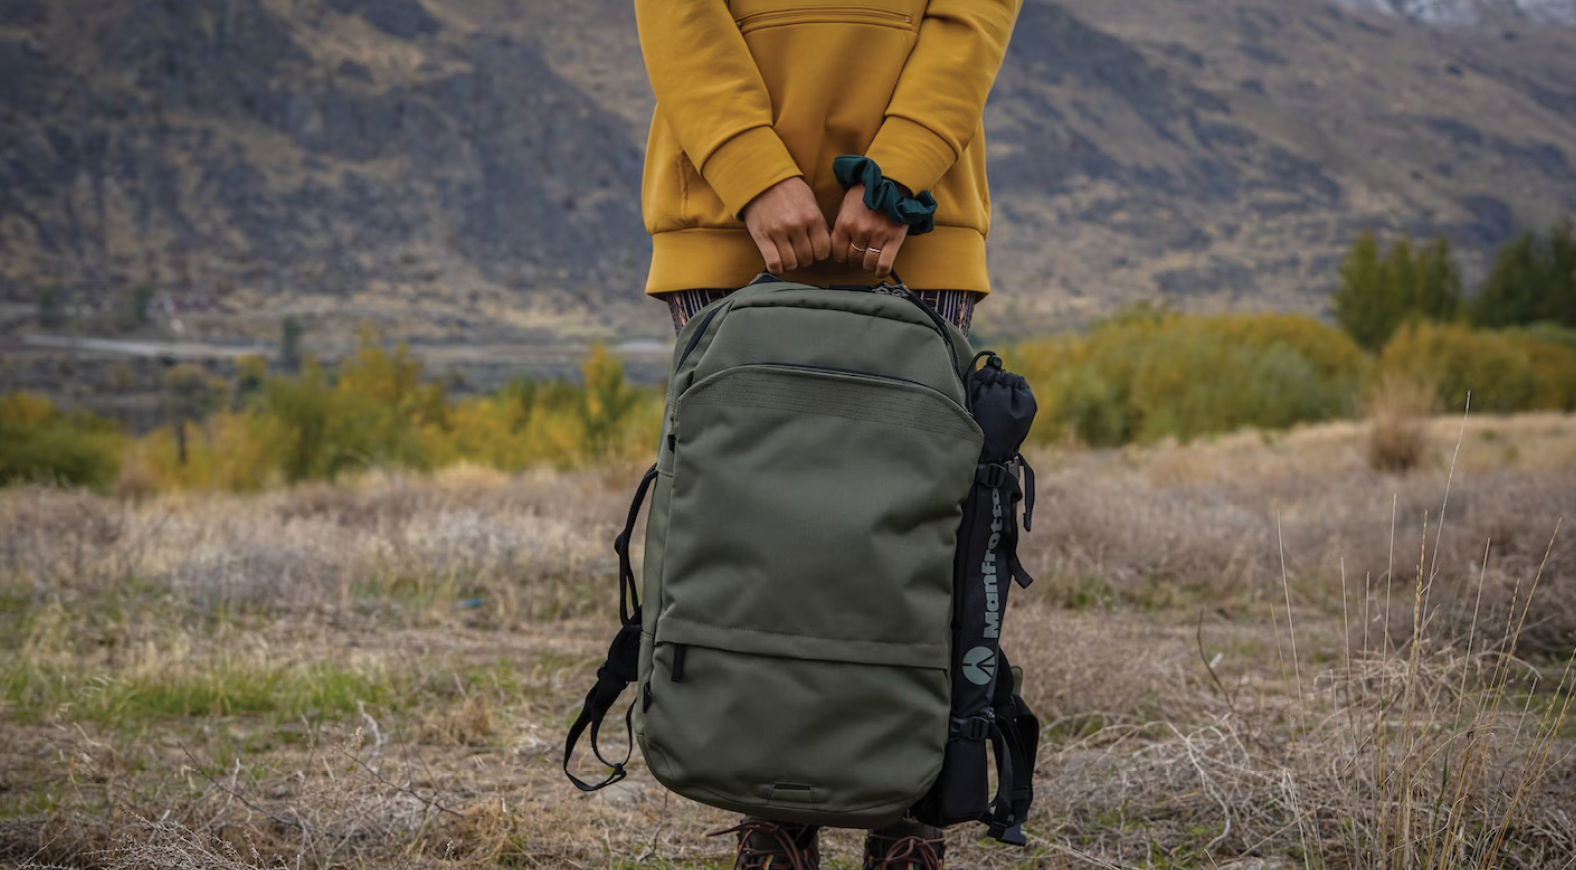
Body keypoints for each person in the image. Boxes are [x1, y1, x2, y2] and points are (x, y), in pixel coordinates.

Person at [632, 1, 1022, 867]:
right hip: (726, 209)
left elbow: (976, 12)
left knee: (914, 542)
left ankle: (910, 822)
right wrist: (750, 170)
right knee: (752, 539)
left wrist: (901, 175)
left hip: (913, 216)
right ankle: (768, 815)